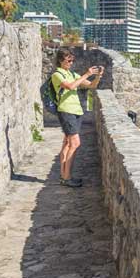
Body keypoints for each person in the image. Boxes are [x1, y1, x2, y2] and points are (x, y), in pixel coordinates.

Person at [51, 48, 103, 187]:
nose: (71, 63)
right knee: (75, 143)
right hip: (66, 111)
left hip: (76, 111)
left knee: (67, 143)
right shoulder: (57, 75)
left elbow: (91, 86)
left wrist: (97, 76)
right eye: (69, 60)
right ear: (61, 60)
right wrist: (86, 74)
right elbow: (70, 86)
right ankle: (67, 178)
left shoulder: (72, 73)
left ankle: (64, 176)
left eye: (72, 60)